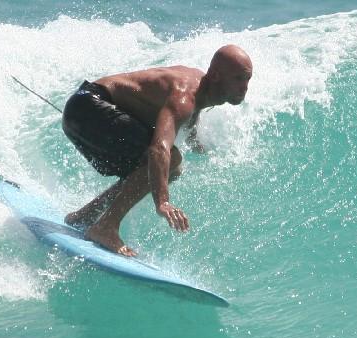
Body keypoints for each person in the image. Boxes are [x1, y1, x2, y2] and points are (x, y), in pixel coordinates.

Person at [61, 44, 252, 256]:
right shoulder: (184, 96)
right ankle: (106, 226)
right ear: (216, 76)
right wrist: (163, 202)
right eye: (238, 79)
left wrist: (195, 142)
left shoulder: (201, 87)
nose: (244, 87)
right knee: (171, 160)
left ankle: (87, 215)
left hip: (85, 105)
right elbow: (158, 149)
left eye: (247, 79)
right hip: (88, 107)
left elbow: (191, 112)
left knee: (171, 169)